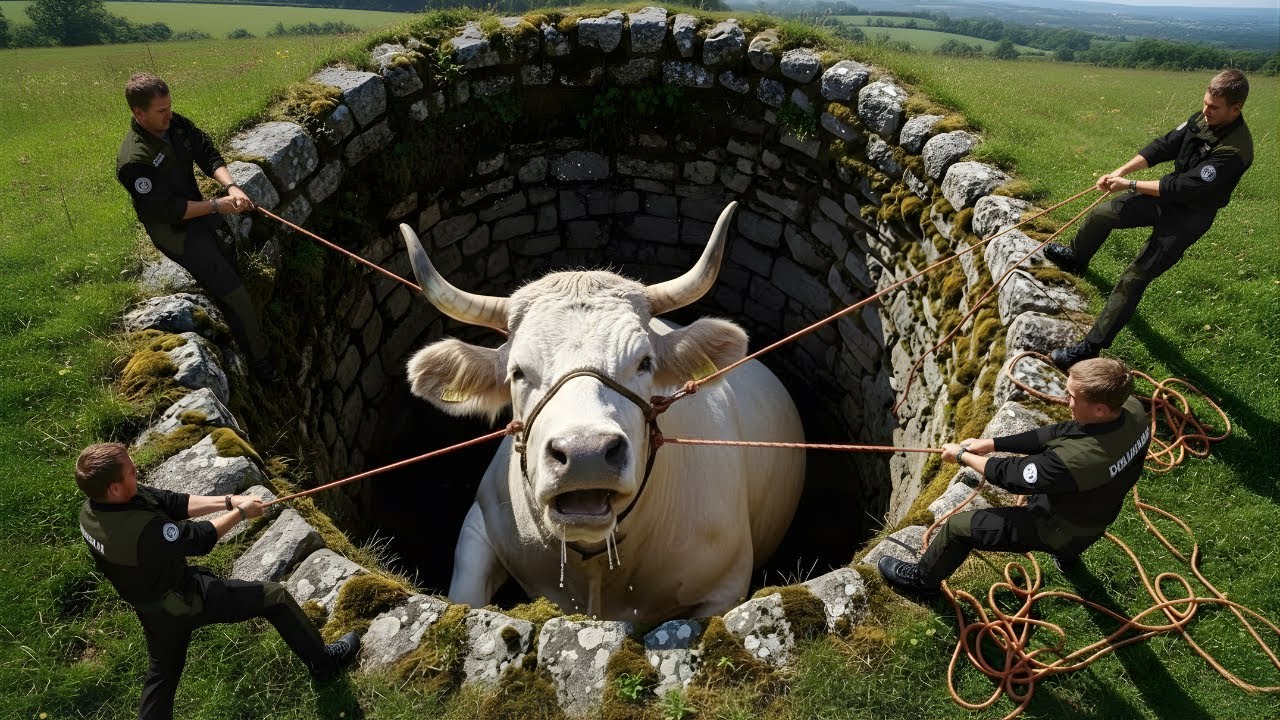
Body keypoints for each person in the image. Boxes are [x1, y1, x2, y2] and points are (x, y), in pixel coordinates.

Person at [76, 442, 359, 720]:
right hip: (185, 599)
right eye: (131, 473)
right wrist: (241, 514)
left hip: (151, 608)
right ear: (114, 488)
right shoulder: (143, 532)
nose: (136, 473)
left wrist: (229, 501)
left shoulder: (93, 509)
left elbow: (172, 502)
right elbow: (199, 539)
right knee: (275, 597)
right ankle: (324, 664)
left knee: (163, 673)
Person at [878, 358, 1151, 594]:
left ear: (1100, 409)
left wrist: (962, 457)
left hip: (1057, 526)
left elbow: (1011, 476)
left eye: (1072, 396)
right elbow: (1057, 433)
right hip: (1099, 511)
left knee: (958, 528)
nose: (1066, 401)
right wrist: (991, 443)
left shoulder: (1074, 462)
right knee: (1077, 523)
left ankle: (922, 581)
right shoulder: (1132, 410)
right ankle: (1067, 556)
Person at [1045, 69, 1253, 369]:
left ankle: (1091, 347)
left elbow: (1183, 188)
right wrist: (1121, 172)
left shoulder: (1236, 151)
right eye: (1205, 102)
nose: (1205, 110)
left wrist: (1129, 185)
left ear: (1236, 109)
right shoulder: (1203, 118)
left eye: (1214, 107)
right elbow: (1164, 145)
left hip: (1188, 218)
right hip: (1162, 198)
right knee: (1105, 212)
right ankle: (1077, 258)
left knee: (1134, 277)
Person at [116, 72, 279, 382]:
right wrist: (217, 205)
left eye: (169, 106)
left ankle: (233, 308)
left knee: (228, 262)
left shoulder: (174, 124)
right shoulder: (134, 161)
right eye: (160, 110)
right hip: (175, 232)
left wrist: (230, 186)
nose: (169, 114)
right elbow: (170, 211)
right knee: (236, 294)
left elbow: (206, 151)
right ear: (139, 113)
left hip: (198, 210)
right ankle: (260, 361)